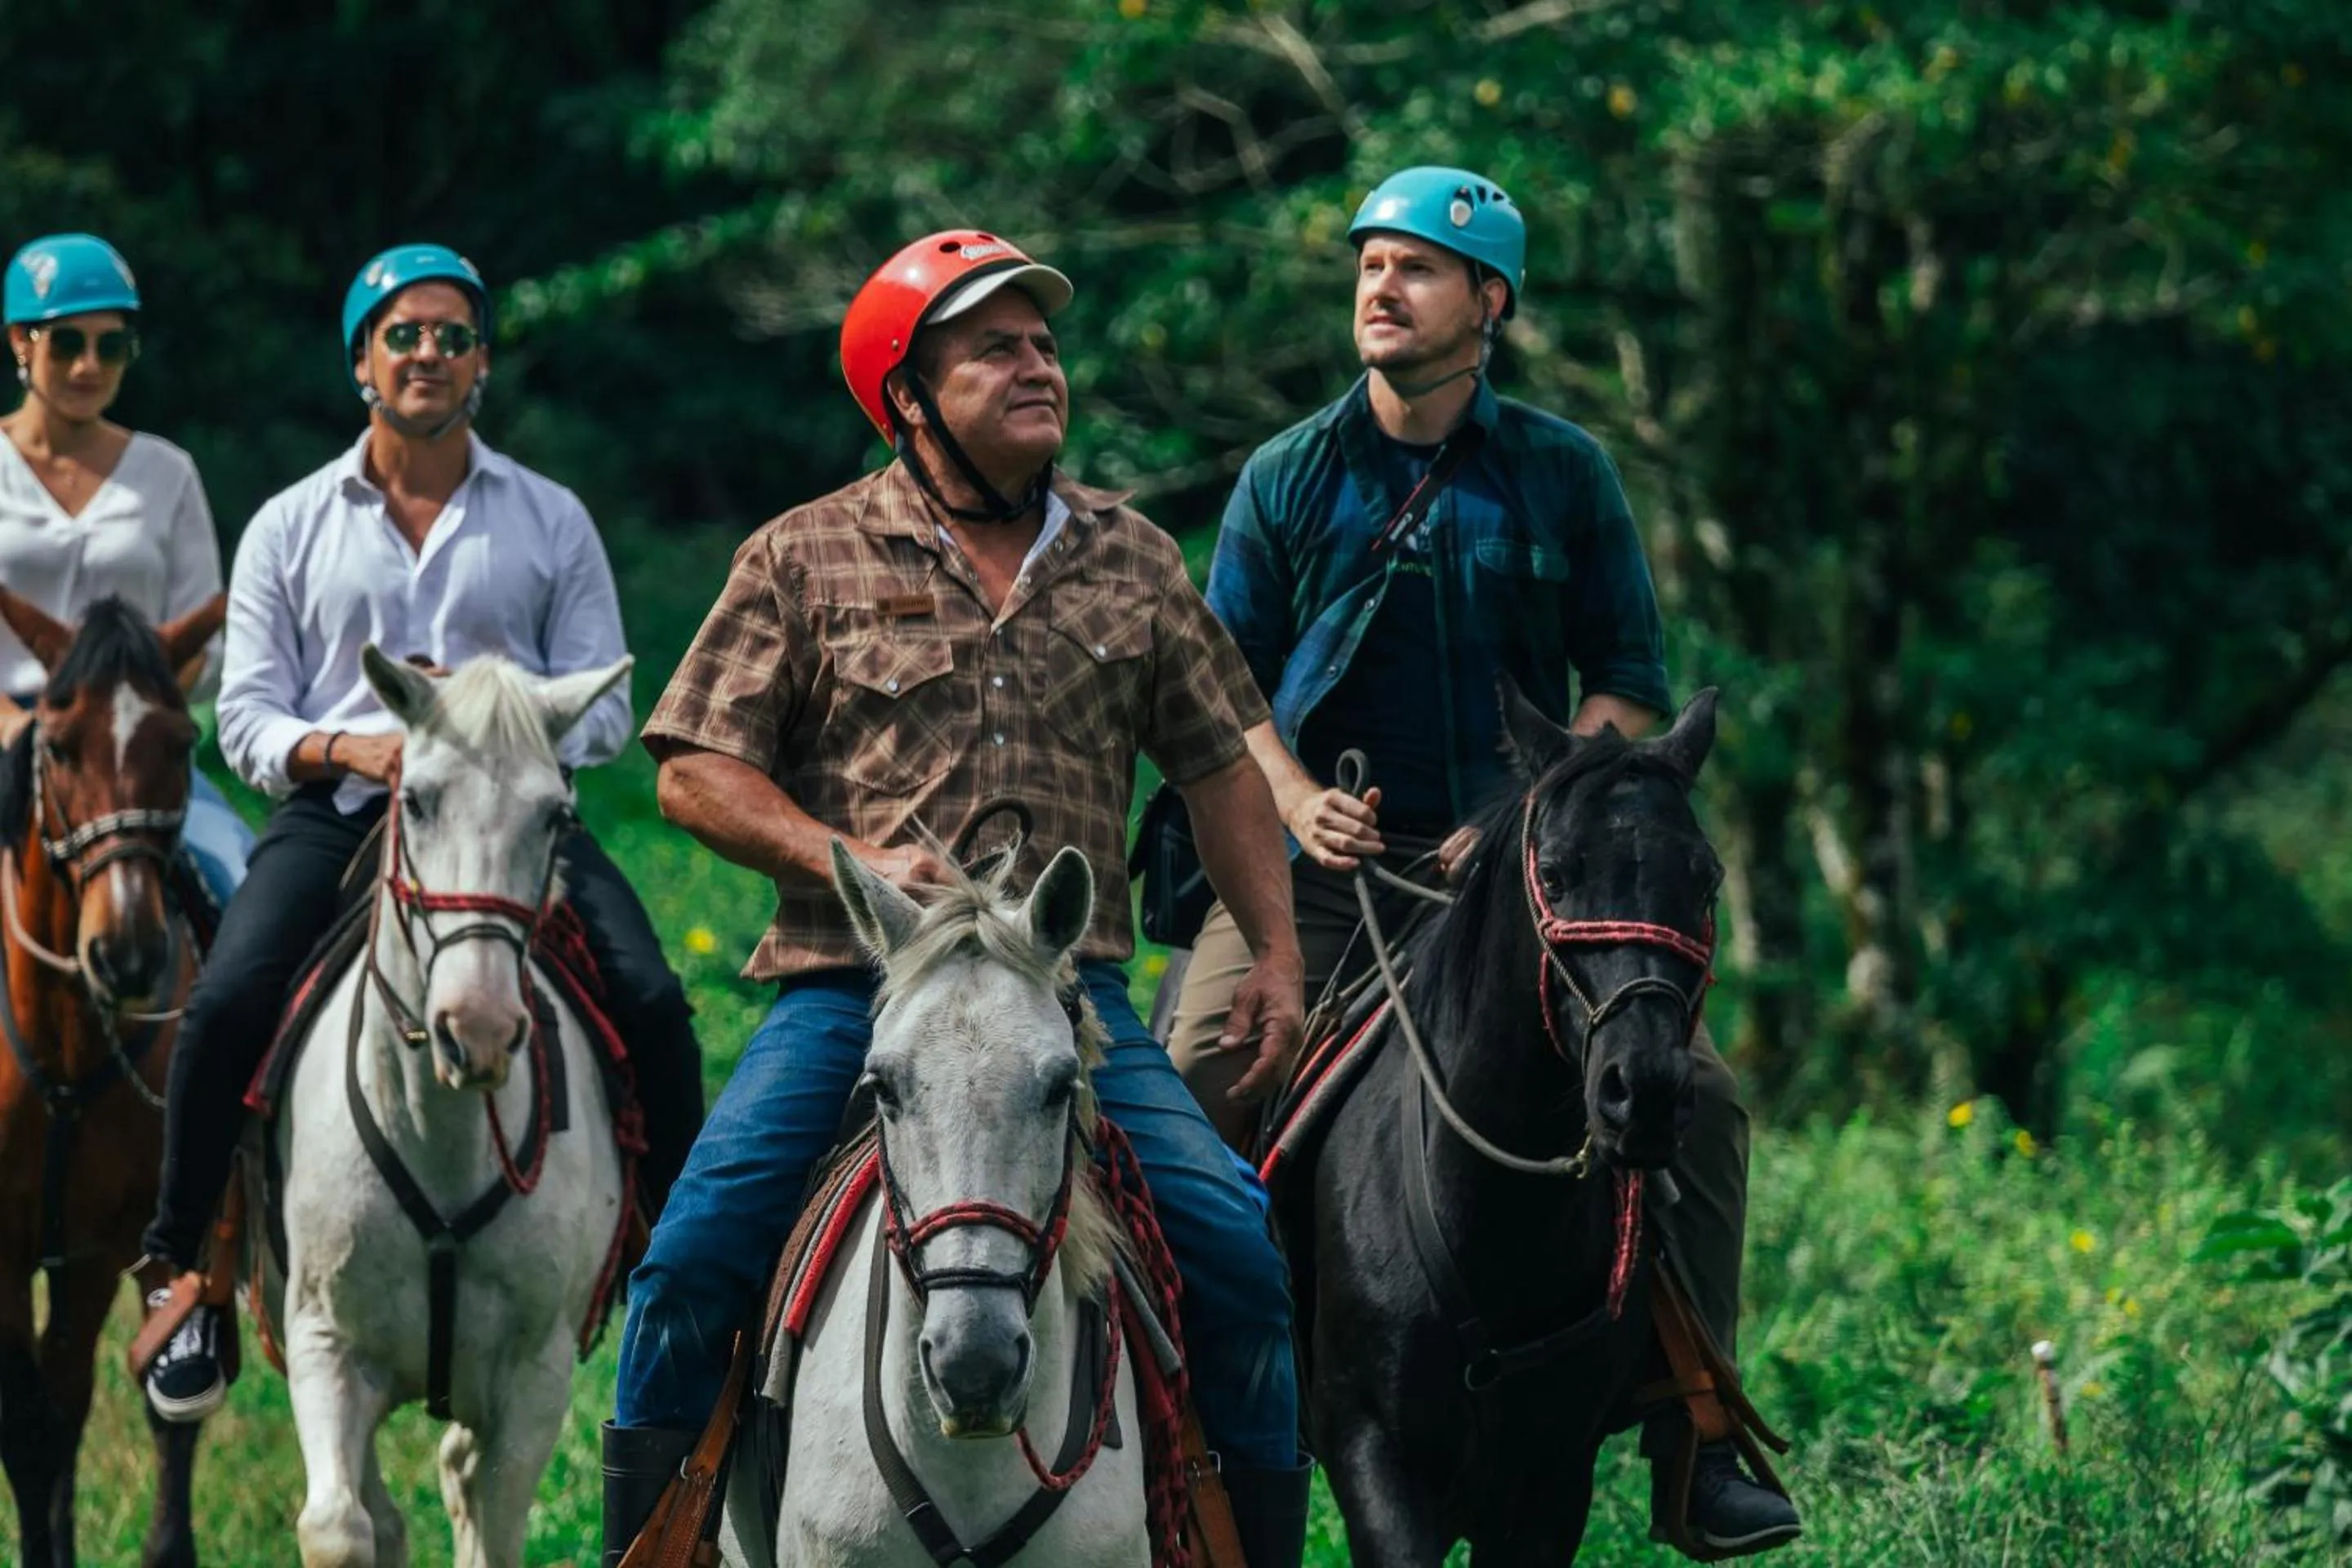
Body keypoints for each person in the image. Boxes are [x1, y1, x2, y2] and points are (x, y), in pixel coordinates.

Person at [604, 230, 1313, 1568]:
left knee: (1238, 1256)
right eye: (995, 347)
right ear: (907, 394)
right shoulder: (802, 555)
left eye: (1043, 343)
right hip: (856, 995)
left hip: (1072, 1007)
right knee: (694, 1260)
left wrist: (1274, 953)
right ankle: (648, 1550)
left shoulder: (1134, 556)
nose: (1038, 364)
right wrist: (842, 860)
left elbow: (1221, 764)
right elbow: (693, 771)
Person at [1162, 167, 1802, 1555]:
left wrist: (1534, 804)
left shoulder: (1565, 471)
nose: (1380, 291)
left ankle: (1697, 1430)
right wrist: (1285, 800)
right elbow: (1218, 687)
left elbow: (1628, 681)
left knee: (1705, 1101)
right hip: (1321, 869)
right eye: (1369, 269)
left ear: (1488, 302)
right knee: (1201, 1067)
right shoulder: (1288, 476)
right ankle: (1182, 1426)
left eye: (1417, 271)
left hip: (1524, 873)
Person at [130, 243, 706, 1424]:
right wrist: (357, 749)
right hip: (341, 808)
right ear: (362, 363)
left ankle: (680, 1269)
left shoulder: (550, 518)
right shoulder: (292, 523)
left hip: (506, 820)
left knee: (649, 998)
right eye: (403, 333)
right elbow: (242, 714)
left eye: (452, 334)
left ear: (482, 363)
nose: (429, 352)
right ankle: (185, 1269)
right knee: (230, 996)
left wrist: (492, 721)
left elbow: (606, 706)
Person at [2, 232, 251, 904]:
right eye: (66, 343)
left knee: (240, 881)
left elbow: (209, 637)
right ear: (20, 341)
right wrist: (13, 725)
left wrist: (140, 708)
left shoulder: (168, 474)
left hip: (135, 750)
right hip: (8, 730)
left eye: (111, 346)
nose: (89, 365)